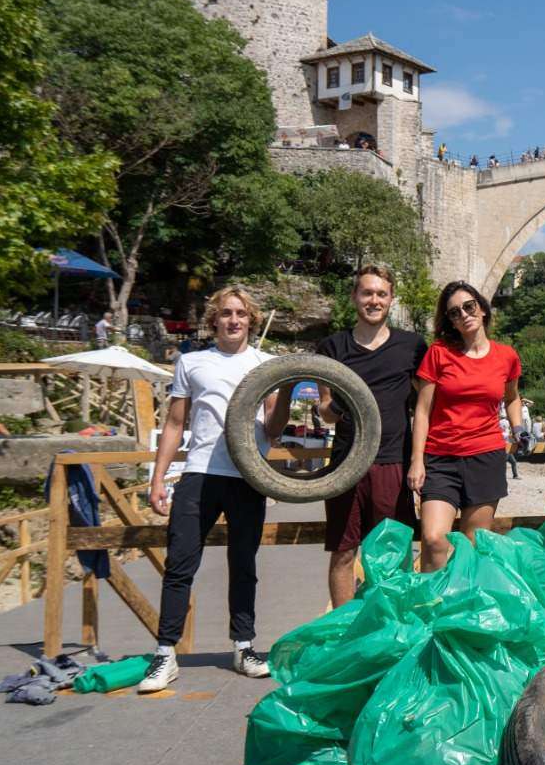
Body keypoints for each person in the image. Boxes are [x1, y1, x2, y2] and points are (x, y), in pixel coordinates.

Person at [139, 286, 291, 693]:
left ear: (251, 320)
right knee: (180, 563)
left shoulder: (266, 365)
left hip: (248, 475)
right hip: (200, 473)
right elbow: (175, 425)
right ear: (214, 319)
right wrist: (158, 478)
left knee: (244, 565)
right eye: (226, 313)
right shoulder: (191, 362)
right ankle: (164, 654)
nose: (234, 320)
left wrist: (288, 391)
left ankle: (243, 647)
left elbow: (273, 430)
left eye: (241, 313)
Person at [314, 265, 426, 608]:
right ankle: (344, 629)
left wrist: (420, 460)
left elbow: (426, 404)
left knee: (393, 553)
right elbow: (325, 409)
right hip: (347, 463)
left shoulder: (412, 346)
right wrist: (341, 409)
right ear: (354, 297)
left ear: (391, 299)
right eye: (367, 293)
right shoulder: (332, 347)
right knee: (344, 552)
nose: (373, 300)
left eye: (381, 294)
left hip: (393, 461)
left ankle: (392, 629)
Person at [409, 282, 525, 571]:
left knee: (471, 546)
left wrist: (519, 428)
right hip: (440, 458)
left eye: (469, 306)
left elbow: (512, 398)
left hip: (485, 457)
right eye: (454, 313)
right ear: (449, 321)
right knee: (434, 538)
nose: (463, 314)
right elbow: (422, 411)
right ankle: (430, 609)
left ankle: (460, 610)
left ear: (483, 309)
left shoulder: (506, 356)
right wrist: (417, 461)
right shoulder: (439, 353)